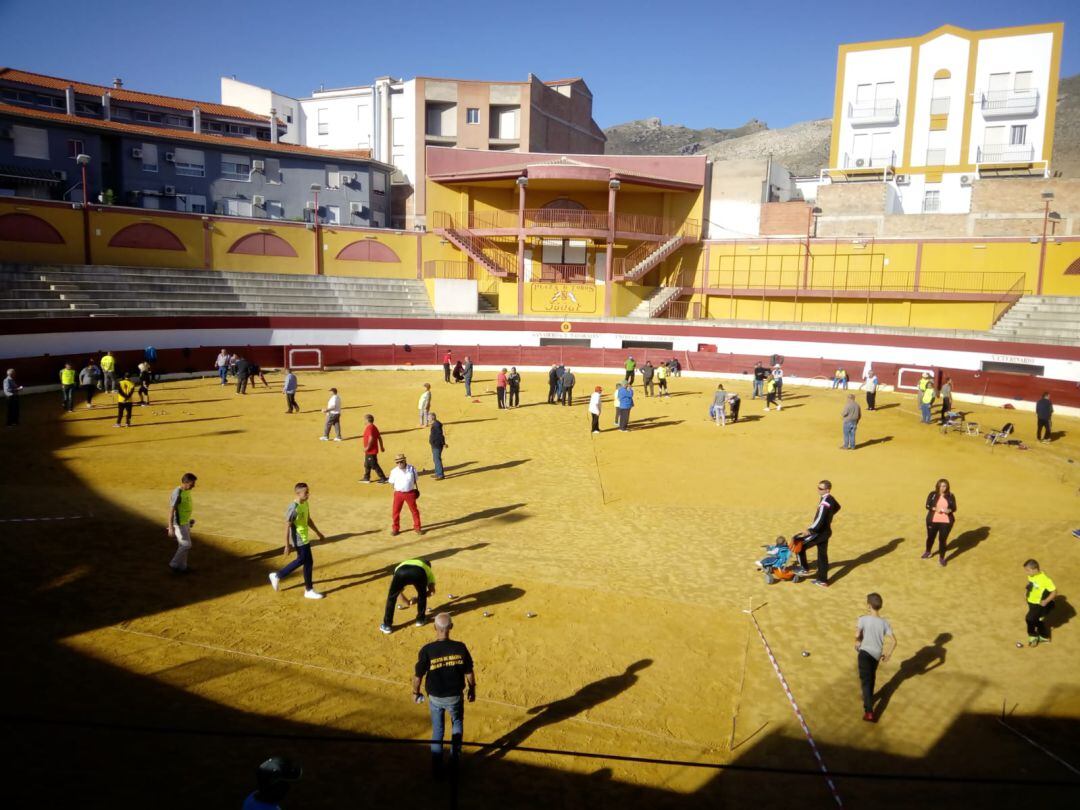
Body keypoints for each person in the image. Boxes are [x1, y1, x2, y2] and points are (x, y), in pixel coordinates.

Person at [413, 613, 475, 778]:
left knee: (438, 731)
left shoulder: (427, 650)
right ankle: (454, 761)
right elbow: (469, 672)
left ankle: (436, 768)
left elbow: (418, 676)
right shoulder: (460, 647)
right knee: (457, 723)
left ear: (435, 628)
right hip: (455, 697)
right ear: (451, 627)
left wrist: (416, 692)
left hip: (435, 697)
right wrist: (472, 688)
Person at [269, 482, 326, 599]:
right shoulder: (293, 508)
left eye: (308, 492)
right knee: (302, 560)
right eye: (306, 492)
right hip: (300, 539)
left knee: (308, 562)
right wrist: (287, 545)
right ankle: (278, 576)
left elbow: (308, 520)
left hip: (305, 538)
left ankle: (308, 590)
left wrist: (318, 532)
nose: (308, 494)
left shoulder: (305, 504)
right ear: (298, 493)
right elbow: (287, 527)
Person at [855, 592, 896, 723]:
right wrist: (888, 654)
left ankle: (869, 712)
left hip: (865, 653)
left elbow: (857, 634)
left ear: (868, 606)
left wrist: (857, 641)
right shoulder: (885, 623)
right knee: (871, 676)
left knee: (865, 681)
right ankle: (868, 697)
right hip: (877, 654)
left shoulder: (862, 619)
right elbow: (894, 641)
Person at [797, 480, 840, 588]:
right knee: (822, 556)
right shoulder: (831, 498)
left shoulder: (825, 502)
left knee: (799, 546)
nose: (818, 490)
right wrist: (829, 517)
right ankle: (822, 580)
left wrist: (810, 530)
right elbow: (838, 507)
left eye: (820, 488)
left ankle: (804, 568)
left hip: (819, 532)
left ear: (827, 490)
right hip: (826, 532)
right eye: (818, 487)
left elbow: (820, 519)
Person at [380, 558, 435, 634]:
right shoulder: (428, 569)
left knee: (392, 597)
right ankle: (420, 620)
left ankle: (387, 625)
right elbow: (431, 591)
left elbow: (397, 592)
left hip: (401, 571)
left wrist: (407, 602)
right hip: (419, 573)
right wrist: (418, 598)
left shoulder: (403, 564)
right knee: (422, 594)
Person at [167, 472, 197, 574]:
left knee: (183, 546)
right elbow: (171, 511)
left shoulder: (186, 490)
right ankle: (174, 564)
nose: (194, 486)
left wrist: (189, 520)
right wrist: (171, 527)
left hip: (185, 522)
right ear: (186, 482)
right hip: (179, 524)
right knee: (186, 545)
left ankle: (182, 567)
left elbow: (184, 507)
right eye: (192, 484)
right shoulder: (177, 494)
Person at [923, 478, 956, 567]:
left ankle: (942, 558)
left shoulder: (951, 495)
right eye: (941, 486)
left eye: (944, 486)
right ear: (938, 486)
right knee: (930, 537)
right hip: (932, 521)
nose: (942, 488)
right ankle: (928, 552)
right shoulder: (932, 494)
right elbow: (927, 505)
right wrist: (934, 508)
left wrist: (949, 510)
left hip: (946, 522)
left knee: (942, 540)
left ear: (947, 487)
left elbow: (954, 508)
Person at [1023, 559, 1057, 646]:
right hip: (1031, 601)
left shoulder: (1045, 579)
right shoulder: (1032, 575)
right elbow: (1030, 583)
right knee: (1036, 619)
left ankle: (1032, 636)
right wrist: (1026, 593)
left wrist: (1046, 601)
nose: (1026, 572)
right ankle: (1044, 637)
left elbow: (1054, 591)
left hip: (1038, 603)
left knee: (1029, 618)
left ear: (1035, 569)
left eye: (1028, 570)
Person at [389, 453, 422, 536]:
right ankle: (395, 529)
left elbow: (415, 480)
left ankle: (417, 527)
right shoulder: (394, 471)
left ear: (405, 461)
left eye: (401, 461)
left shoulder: (412, 469)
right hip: (398, 494)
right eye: (397, 462)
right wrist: (398, 489)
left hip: (410, 493)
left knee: (414, 511)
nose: (399, 463)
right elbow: (392, 483)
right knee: (395, 512)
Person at [361, 414, 389, 483]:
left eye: (364, 420)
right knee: (367, 464)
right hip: (371, 451)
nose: (364, 421)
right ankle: (366, 477)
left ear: (367, 420)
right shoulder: (374, 427)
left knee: (374, 464)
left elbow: (371, 438)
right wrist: (381, 447)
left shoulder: (370, 428)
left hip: (371, 451)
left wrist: (367, 447)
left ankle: (383, 478)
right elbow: (379, 437)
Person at [429, 413, 447, 479]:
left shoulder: (436, 425)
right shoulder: (435, 424)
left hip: (437, 445)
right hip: (435, 444)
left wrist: (444, 443)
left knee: (437, 459)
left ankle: (440, 474)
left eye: (429, 417)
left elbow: (440, 436)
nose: (428, 419)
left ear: (432, 418)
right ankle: (437, 473)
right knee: (435, 459)